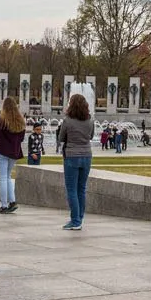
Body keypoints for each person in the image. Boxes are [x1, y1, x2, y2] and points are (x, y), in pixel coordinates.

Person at [57, 93, 94, 230]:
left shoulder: (67, 120)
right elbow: (90, 136)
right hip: (87, 156)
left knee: (71, 190)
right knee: (81, 189)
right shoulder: (90, 120)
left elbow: (61, 138)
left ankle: (75, 220)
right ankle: (80, 217)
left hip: (72, 156)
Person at [0, 98, 26, 213]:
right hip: (14, 151)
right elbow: (21, 138)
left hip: (3, 151)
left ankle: (4, 205)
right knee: (8, 176)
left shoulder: (2, 120)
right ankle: (12, 201)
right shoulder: (20, 120)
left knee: (3, 178)